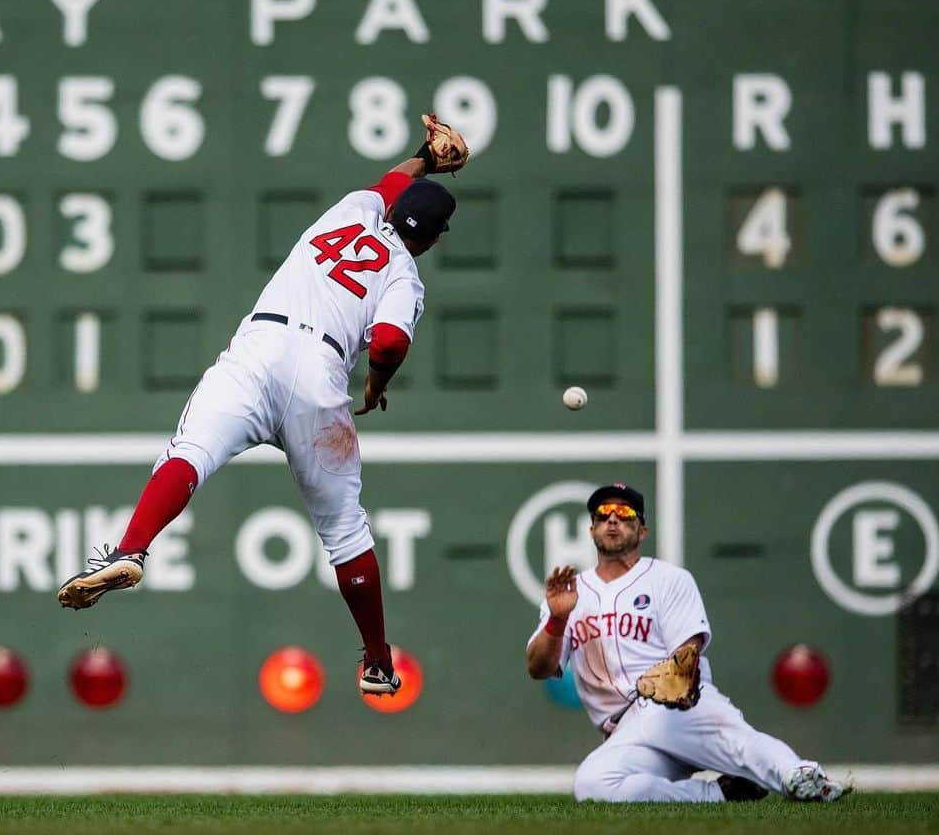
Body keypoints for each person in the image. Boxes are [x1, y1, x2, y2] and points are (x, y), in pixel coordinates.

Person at [57, 115, 469, 697]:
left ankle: (131, 549)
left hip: (258, 350)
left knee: (189, 454)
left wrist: (424, 158)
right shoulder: (405, 274)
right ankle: (377, 661)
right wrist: (375, 388)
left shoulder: (350, 212)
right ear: (430, 238)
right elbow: (390, 342)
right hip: (321, 377)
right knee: (346, 533)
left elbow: (388, 185)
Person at [526, 482, 850, 804]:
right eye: (604, 513)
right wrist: (557, 619)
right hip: (627, 731)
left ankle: (802, 776)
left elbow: (688, 651)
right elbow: (539, 668)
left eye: (625, 513)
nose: (613, 519)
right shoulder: (570, 593)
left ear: (642, 532)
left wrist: (665, 685)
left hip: (675, 706)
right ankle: (718, 794)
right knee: (593, 786)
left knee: (738, 742)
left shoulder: (669, 579)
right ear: (592, 528)